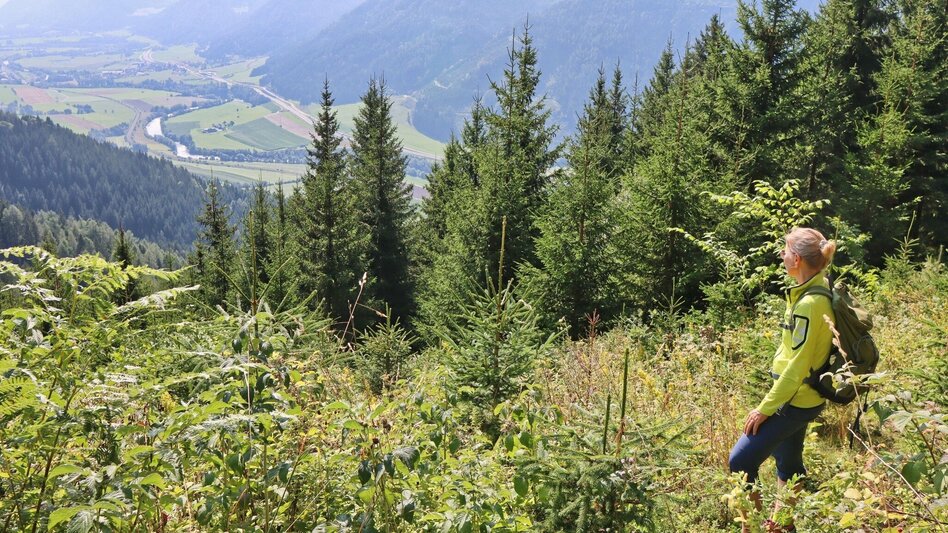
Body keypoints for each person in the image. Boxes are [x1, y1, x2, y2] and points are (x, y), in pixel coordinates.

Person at [729, 227, 837, 532]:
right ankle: (782, 526)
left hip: (795, 400)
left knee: (740, 461)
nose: (782, 254)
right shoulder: (813, 291)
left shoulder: (809, 304)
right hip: (801, 396)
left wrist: (764, 408)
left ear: (798, 259)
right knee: (789, 465)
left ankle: (753, 526)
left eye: (786, 250)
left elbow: (798, 365)